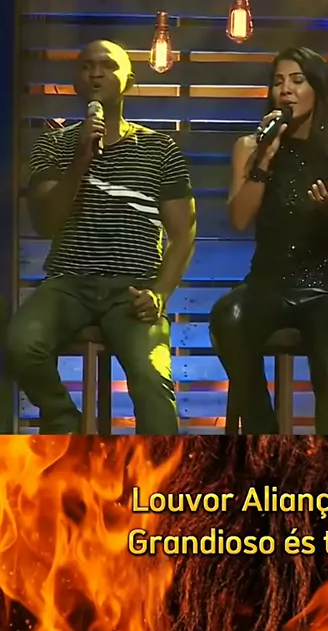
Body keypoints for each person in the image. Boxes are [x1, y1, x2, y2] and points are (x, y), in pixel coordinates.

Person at [6, 40, 196, 435]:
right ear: (76, 81)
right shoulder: (53, 145)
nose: (95, 73)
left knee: (152, 375)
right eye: (86, 66)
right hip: (68, 284)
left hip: (133, 287)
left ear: (129, 80)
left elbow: (184, 232)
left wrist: (159, 293)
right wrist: (80, 160)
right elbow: (45, 222)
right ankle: (65, 422)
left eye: (107, 66)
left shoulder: (160, 148)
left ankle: (162, 466)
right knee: (20, 345)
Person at [209, 47, 328, 434]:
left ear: (318, 89)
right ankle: (265, 434)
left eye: (297, 81)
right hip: (266, 285)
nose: (286, 90)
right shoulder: (251, 148)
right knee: (227, 316)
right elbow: (239, 218)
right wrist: (265, 160)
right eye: (278, 82)